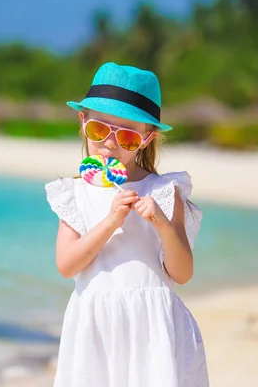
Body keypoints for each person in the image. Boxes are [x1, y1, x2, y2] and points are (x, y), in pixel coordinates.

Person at [45, 62, 209, 386]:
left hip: (155, 327)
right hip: (95, 327)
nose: (109, 143)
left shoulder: (164, 193)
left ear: (147, 139)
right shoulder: (74, 193)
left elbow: (183, 273)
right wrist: (110, 222)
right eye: (98, 130)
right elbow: (67, 265)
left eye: (127, 137)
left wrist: (162, 223)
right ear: (83, 122)